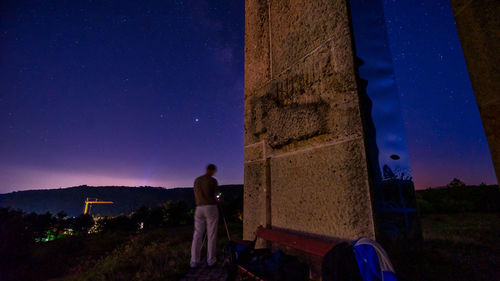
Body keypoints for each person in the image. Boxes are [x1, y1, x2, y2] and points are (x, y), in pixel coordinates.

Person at [190, 164, 219, 268]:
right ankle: (211, 260)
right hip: (210, 207)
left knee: (197, 234)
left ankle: (194, 261)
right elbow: (216, 195)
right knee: (211, 234)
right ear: (211, 171)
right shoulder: (213, 181)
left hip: (199, 208)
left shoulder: (197, 180)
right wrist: (219, 199)